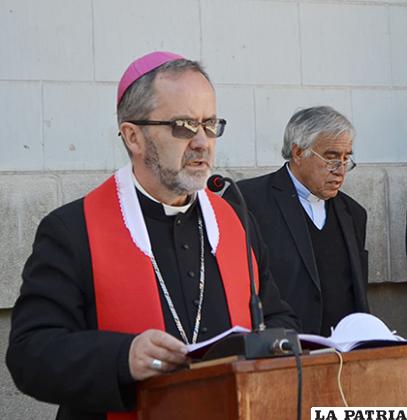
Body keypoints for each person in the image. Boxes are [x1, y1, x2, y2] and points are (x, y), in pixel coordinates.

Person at [6, 51, 299, 420]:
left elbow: (276, 316)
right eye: (183, 125)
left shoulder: (235, 219)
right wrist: (123, 357)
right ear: (134, 137)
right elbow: (30, 353)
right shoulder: (72, 230)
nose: (202, 142)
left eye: (210, 124)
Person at [224, 106, 369, 336]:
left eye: (346, 158)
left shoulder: (354, 213)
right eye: (331, 158)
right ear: (298, 153)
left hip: (344, 355)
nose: (340, 170)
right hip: (282, 352)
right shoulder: (248, 200)